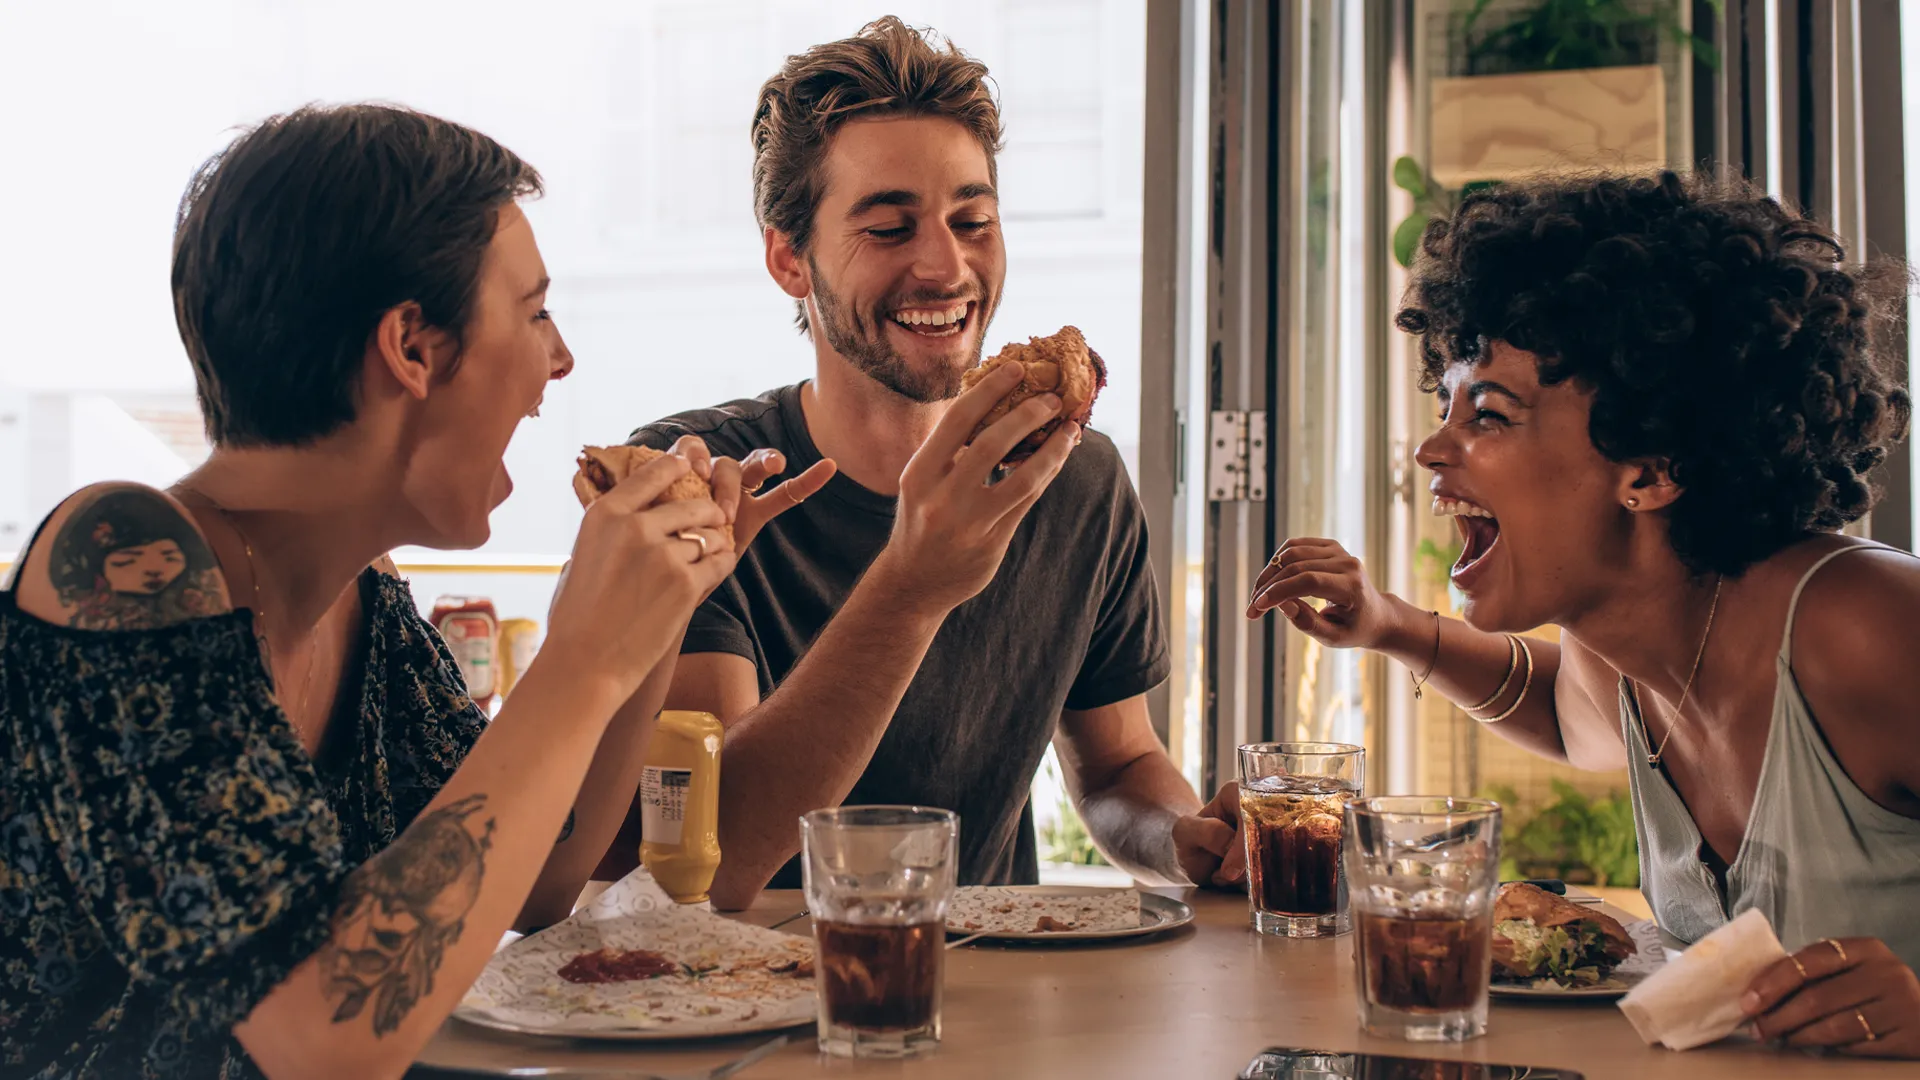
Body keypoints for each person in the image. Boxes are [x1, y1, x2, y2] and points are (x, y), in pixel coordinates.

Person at [0, 104, 800, 1079]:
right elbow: (321, 1029)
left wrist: (664, 601)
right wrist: (584, 654)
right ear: (412, 348)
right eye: (535, 311)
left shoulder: (365, 600)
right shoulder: (119, 563)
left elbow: (534, 880)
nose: (559, 362)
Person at [1181, 171, 1920, 1058]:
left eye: (1489, 415)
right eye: (1445, 404)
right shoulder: (1629, 647)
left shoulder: (1869, 629)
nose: (1431, 448)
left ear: (1651, 469)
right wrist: (1393, 627)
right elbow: (1569, 715)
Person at [593, 17, 1202, 908]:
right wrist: (914, 584)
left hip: (989, 1002)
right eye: (888, 228)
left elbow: (1120, 766)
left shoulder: (1076, 477)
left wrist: (1185, 841)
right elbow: (704, 856)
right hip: (738, 999)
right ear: (788, 259)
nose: (946, 266)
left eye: (974, 220)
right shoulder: (695, 486)